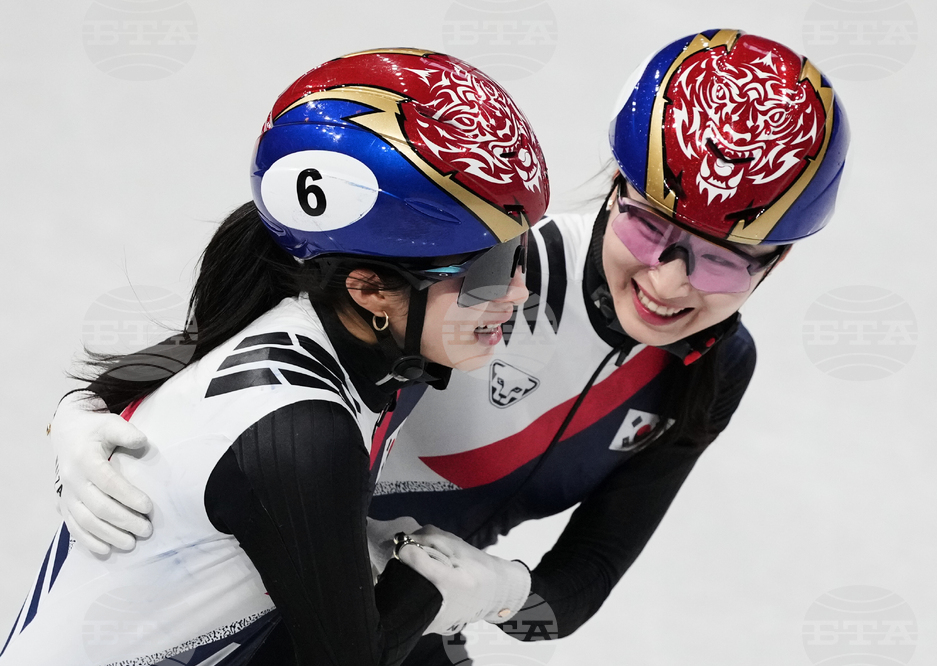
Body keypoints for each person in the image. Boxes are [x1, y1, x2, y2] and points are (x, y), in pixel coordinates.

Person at [44, 30, 849, 665]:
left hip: (385, 619)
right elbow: (243, 355)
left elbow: (581, 582)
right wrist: (85, 411)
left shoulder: (711, 369)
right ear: (612, 187)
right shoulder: (487, 272)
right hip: (255, 599)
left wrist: (495, 592)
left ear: (776, 262)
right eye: (648, 225)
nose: (670, 283)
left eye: (719, 258)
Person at [0, 48, 550, 666]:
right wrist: (446, 587)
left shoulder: (317, 324)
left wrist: (77, 408)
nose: (521, 291)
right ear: (367, 288)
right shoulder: (303, 431)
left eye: (519, 252)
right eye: (489, 271)